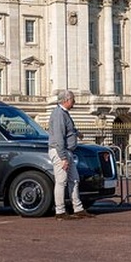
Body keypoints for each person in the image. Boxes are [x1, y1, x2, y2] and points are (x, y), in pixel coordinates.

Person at [48, 90, 94, 220]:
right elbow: (59, 138)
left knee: (74, 179)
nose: (74, 102)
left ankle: (78, 208)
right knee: (61, 182)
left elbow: (69, 130)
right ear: (66, 100)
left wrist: (77, 133)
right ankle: (60, 211)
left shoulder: (64, 113)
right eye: (73, 100)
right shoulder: (58, 114)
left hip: (67, 151)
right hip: (60, 152)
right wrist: (63, 157)